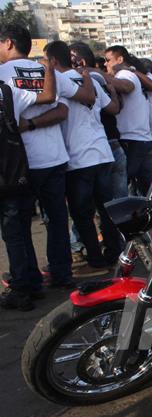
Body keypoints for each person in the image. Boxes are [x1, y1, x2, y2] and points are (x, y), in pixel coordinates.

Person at [0, 24, 94, 290]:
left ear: (8, 43)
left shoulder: (3, 75)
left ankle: (28, 282)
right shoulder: (46, 70)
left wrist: (28, 124)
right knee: (57, 220)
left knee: (17, 226)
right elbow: (78, 100)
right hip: (55, 157)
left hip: (21, 163)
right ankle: (62, 274)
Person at [44, 41, 124, 275]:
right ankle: (115, 253)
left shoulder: (58, 81)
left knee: (82, 213)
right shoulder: (89, 79)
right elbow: (112, 109)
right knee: (106, 209)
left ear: (54, 61)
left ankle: (96, 262)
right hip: (102, 151)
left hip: (79, 156)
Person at [0, 54, 57, 310]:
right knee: (20, 230)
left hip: (8, 173)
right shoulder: (7, 91)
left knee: (14, 233)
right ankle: (31, 282)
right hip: (15, 169)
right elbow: (47, 96)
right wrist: (48, 70)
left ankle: (22, 286)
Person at [70, 42, 129, 199]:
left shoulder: (71, 80)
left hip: (87, 153)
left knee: (89, 208)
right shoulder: (101, 80)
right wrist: (112, 91)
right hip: (111, 145)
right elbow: (115, 108)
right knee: (117, 204)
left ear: (80, 62)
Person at [101, 45, 152, 195]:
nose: (106, 64)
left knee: (122, 183)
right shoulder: (129, 73)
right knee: (146, 189)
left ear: (120, 59)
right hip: (141, 138)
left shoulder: (124, 73)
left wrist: (99, 75)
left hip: (132, 139)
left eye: (108, 60)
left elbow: (127, 87)